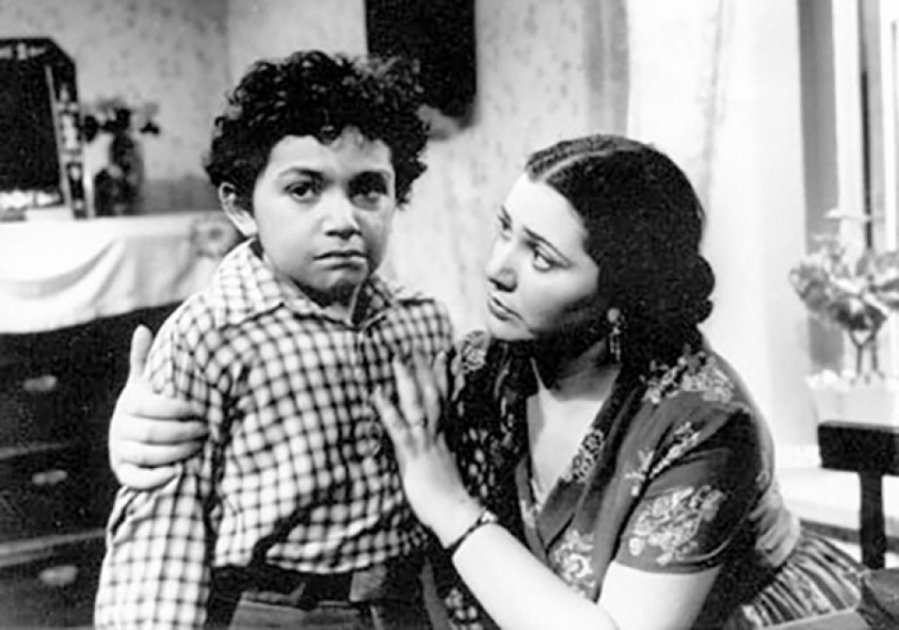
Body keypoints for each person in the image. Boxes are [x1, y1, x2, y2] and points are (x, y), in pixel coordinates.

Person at [108, 134, 864, 629]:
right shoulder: (479, 368)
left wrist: (450, 508)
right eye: (505, 229)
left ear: (621, 293)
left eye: (541, 256)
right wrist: (141, 429)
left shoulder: (704, 423)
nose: (497, 268)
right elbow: (331, 413)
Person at [94, 50, 454, 629]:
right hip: (276, 611)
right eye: (304, 189)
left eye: (368, 190)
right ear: (241, 208)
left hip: (405, 607)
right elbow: (164, 532)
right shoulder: (210, 335)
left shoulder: (423, 323)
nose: (343, 219)